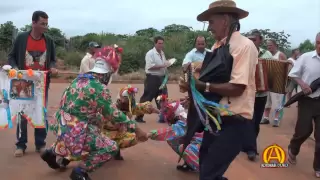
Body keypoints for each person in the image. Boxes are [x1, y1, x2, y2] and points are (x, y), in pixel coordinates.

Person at [41, 46, 149, 180]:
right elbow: (113, 114)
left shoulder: (79, 79)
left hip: (62, 124)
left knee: (94, 126)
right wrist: (136, 129)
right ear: (108, 72)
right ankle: (80, 172)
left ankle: (51, 152)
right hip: (75, 128)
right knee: (110, 147)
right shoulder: (98, 87)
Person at [179, 1, 258, 179]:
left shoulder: (244, 46)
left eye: (211, 22)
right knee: (206, 166)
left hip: (234, 121)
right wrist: (193, 92)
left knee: (208, 173)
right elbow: (214, 78)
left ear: (224, 20)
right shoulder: (218, 46)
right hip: (215, 119)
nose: (209, 28)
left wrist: (203, 86)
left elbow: (237, 87)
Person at [8, 10, 58, 157]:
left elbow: (53, 59)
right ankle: (21, 145)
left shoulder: (49, 40)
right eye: (42, 24)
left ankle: (40, 144)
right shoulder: (21, 38)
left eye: (47, 24)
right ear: (34, 23)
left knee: (40, 113)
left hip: (41, 84)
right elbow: (11, 57)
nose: (45, 27)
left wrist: (53, 67)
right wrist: (16, 69)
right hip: (22, 82)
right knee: (22, 113)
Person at [287, 32, 320, 178]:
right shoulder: (306, 57)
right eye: (319, 42)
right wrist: (303, 84)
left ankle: (318, 166)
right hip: (306, 100)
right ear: (315, 42)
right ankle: (293, 149)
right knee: (304, 130)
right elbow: (293, 74)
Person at [148, 95, 202, 172]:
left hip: (204, 146)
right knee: (173, 140)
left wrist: (149, 134)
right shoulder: (181, 116)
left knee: (181, 145)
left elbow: (170, 131)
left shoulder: (184, 120)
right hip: (198, 143)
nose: (166, 112)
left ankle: (205, 169)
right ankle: (189, 164)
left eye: (167, 110)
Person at [242, 29, 273, 161]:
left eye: (254, 39)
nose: (251, 41)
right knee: (249, 120)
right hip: (247, 93)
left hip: (261, 94)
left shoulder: (267, 56)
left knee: (256, 122)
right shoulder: (244, 52)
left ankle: (248, 145)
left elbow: (271, 73)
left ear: (260, 40)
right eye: (249, 39)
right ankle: (251, 149)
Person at [135, 36, 171, 123]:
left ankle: (163, 117)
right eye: (159, 43)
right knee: (147, 98)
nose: (161, 45)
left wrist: (166, 68)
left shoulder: (162, 53)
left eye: (162, 43)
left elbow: (164, 65)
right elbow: (150, 67)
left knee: (163, 98)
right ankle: (139, 116)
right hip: (152, 78)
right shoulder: (150, 53)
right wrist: (163, 65)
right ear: (155, 43)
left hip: (161, 78)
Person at [260, 39, 287, 127]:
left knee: (277, 102)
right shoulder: (266, 54)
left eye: (270, 45)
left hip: (277, 82)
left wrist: (284, 84)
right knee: (266, 101)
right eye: (267, 45)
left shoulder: (281, 54)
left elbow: (286, 67)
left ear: (275, 45)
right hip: (267, 81)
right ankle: (266, 118)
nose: (269, 47)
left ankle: (276, 119)